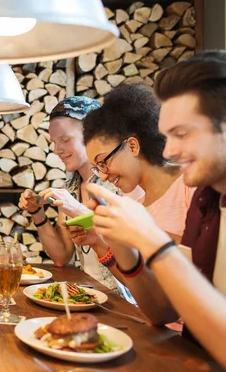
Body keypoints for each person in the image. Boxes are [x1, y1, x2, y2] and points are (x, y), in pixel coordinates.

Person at [86, 51, 226, 368]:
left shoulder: (195, 194)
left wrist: (151, 240)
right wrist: (119, 240)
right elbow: (164, 311)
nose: (169, 150)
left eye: (182, 133)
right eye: (166, 135)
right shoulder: (208, 202)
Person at [18, 96, 135, 302]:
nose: (57, 150)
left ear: (93, 135)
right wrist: (37, 213)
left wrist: (77, 209)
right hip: (88, 296)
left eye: (65, 140)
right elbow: (62, 257)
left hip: (123, 301)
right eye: (54, 142)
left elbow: (131, 250)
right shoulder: (70, 188)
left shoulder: (120, 182)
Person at [82, 83, 195, 242]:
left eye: (103, 162)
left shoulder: (190, 185)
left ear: (132, 146)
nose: (103, 176)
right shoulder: (137, 208)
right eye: (98, 168)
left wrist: (139, 230)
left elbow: (210, 257)